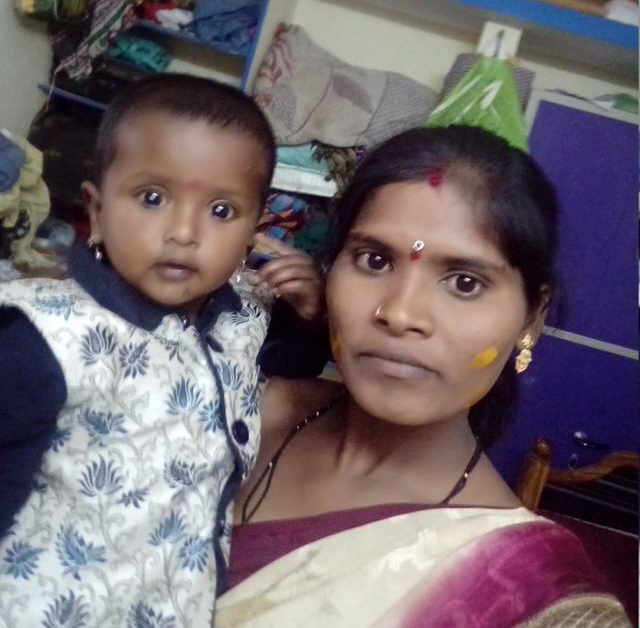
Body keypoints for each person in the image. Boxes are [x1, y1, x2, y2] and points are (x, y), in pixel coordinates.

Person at [218, 125, 631, 627]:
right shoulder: (230, 407)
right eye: (374, 260)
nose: (400, 313)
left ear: (533, 317)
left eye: (465, 282)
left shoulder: (531, 593)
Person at [0, 74, 328, 628]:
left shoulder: (246, 312)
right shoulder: (47, 338)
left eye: (221, 211)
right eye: (152, 198)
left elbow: (286, 370)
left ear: (254, 231)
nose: (183, 232)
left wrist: (310, 317)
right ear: (97, 212)